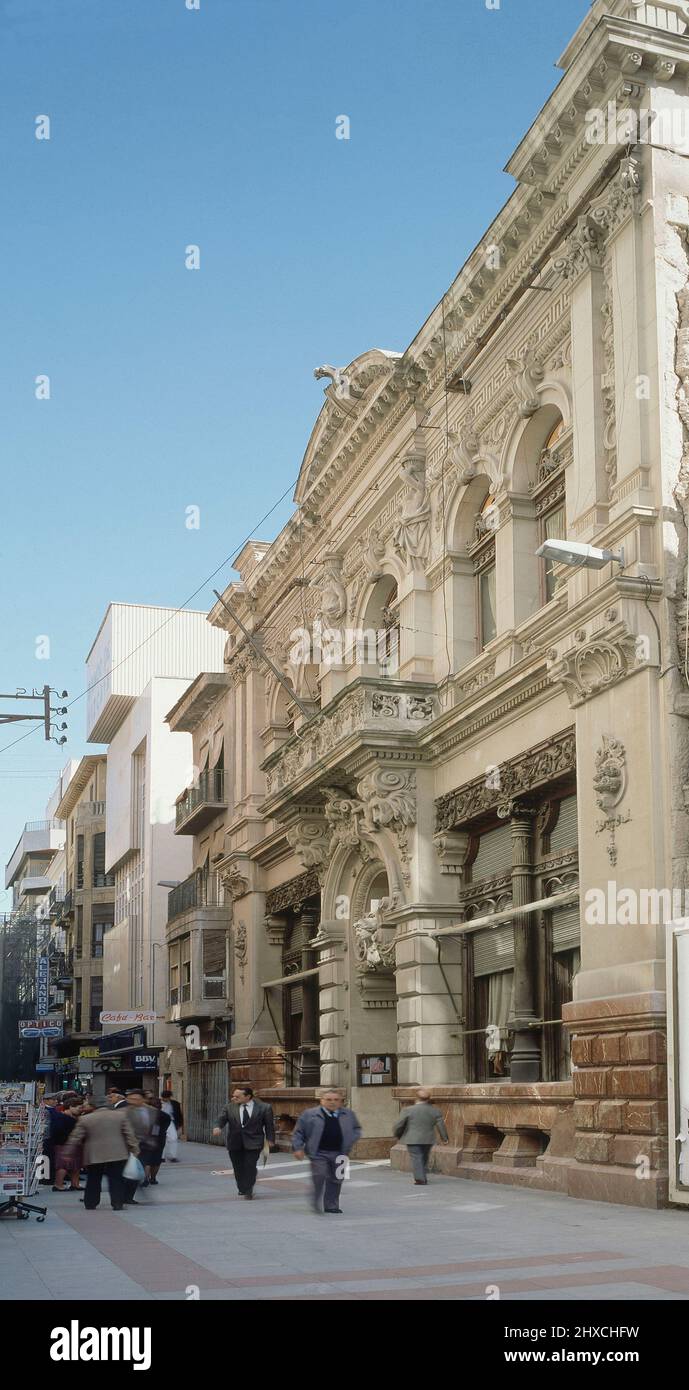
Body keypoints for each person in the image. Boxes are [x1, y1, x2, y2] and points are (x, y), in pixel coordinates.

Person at [292, 1088, 362, 1215]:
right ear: (321, 1101)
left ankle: (331, 1205)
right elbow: (298, 1133)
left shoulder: (348, 1114)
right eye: (328, 1099)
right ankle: (316, 1201)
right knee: (319, 1176)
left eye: (336, 1100)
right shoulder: (310, 1114)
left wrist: (350, 1139)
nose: (332, 1102)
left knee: (337, 1179)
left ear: (341, 1102)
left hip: (341, 1153)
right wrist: (298, 1148)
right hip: (318, 1153)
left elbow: (357, 1129)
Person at [66, 1100, 139, 1211]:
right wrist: (134, 1149)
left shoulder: (86, 1118)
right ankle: (117, 1203)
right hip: (117, 1152)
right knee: (116, 1178)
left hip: (94, 1153)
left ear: (94, 1106)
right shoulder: (120, 1116)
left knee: (93, 1178)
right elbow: (129, 1134)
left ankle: (91, 1203)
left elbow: (75, 1137)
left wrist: (69, 1151)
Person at [212, 1086, 275, 1200]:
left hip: (254, 1142)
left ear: (248, 1096)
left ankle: (248, 1188)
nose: (233, 1098)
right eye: (233, 1096)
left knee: (250, 1165)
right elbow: (221, 1119)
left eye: (237, 1096)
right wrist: (217, 1127)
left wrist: (270, 1139)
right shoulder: (229, 1107)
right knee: (238, 1166)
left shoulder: (264, 1108)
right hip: (235, 1142)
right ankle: (242, 1187)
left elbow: (269, 1125)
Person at [393, 1087, 449, 1185]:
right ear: (428, 1099)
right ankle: (422, 1175)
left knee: (417, 1157)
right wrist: (445, 1139)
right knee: (424, 1157)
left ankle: (420, 1178)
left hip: (412, 1138)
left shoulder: (408, 1110)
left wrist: (397, 1134)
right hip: (428, 1139)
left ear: (416, 1098)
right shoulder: (435, 1111)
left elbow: (399, 1124)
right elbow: (441, 1126)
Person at [120, 1090, 152, 1205]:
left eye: (136, 1099)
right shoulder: (122, 1112)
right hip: (126, 1146)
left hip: (143, 1146)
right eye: (131, 1099)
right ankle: (122, 1195)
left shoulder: (150, 1111)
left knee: (137, 1170)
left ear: (143, 1099)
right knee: (125, 1171)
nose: (133, 1101)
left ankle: (129, 1196)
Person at [52, 1100, 85, 1192]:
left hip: (72, 1144)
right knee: (63, 1165)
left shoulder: (73, 1118)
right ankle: (59, 1185)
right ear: (70, 1106)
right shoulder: (62, 1117)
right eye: (79, 1108)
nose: (81, 1110)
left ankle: (75, 1184)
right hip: (63, 1144)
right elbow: (58, 1131)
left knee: (76, 1165)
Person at [141, 1097, 170, 1186]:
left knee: (147, 1160)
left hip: (147, 1139)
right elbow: (165, 1128)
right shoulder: (165, 1116)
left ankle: (145, 1178)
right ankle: (153, 1178)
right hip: (160, 1139)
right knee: (157, 1160)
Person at [160, 1089, 184, 1161]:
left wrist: (180, 1124)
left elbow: (179, 1114)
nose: (167, 1099)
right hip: (160, 1122)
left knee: (173, 1138)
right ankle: (161, 1157)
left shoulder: (175, 1103)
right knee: (161, 1139)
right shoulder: (157, 1103)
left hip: (170, 1122)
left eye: (168, 1097)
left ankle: (173, 1156)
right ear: (162, 1097)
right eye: (165, 1097)